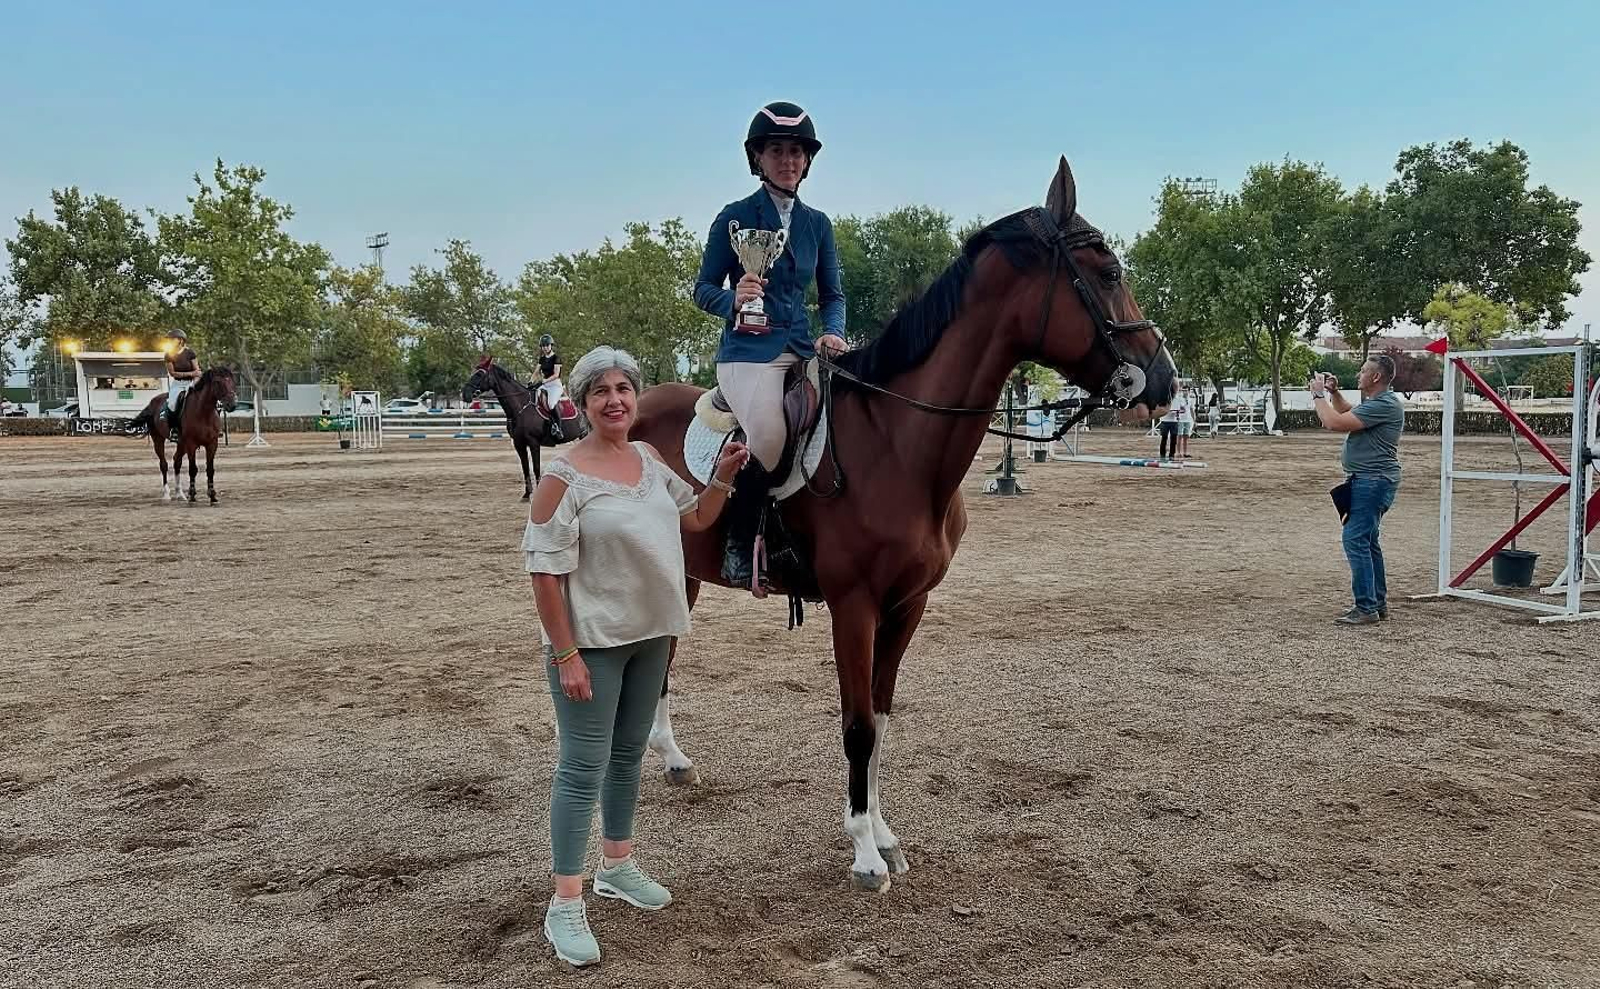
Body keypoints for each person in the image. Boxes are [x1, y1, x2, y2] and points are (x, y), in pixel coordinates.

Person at [524, 346, 748, 967]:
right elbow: (543, 572)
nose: (615, 400)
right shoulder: (563, 476)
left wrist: (724, 475)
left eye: (624, 388)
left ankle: (617, 866)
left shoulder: (649, 459)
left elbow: (697, 519)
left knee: (626, 757)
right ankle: (565, 902)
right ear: (582, 403)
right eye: (601, 391)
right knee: (581, 769)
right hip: (592, 645)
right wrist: (565, 654)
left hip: (652, 637)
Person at [694, 100, 848, 588]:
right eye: (777, 150)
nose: (788, 160)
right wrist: (733, 299)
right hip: (747, 353)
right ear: (757, 158)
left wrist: (834, 330)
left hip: (801, 349)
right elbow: (702, 289)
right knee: (768, 436)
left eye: (796, 152)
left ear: (807, 160)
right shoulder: (734, 217)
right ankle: (739, 544)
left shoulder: (817, 224)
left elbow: (833, 295)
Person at [1309, 355, 1404, 626]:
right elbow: (1346, 413)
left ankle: (1366, 607)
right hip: (1371, 480)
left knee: (1355, 539)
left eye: (1363, 371)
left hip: (1371, 481)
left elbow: (1333, 422)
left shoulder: (1384, 404)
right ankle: (1376, 603)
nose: (1358, 374)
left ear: (1376, 377)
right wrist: (1334, 394)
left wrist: (1318, 395)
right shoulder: (1380, 403)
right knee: (1367, 541)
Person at [163, 329, 201, 438]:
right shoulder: (168, 355)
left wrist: (195, 382)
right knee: (172, 404)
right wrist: (190, 373)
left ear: (180, 340)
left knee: (206, 398)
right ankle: (174, 429)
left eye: (172, 339)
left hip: (192, 382)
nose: (170, 341)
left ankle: (213, 426)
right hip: (178, 384)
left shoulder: (190, 353)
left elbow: (197, 371)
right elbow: (173, 373)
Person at [536, 334, 566, 441]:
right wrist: (530, 381)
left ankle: (558, 427)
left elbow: (556, 375)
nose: (545, 348)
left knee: (551, 403)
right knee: (533, 397)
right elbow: (536, 372)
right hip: (545, 385)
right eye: (543, 346)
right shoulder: (542, 359)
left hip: (555, 385)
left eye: (547, 345)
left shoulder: (556, 358)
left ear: (551, 345)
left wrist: (544, 381)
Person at [1173, 386, 1195, 459]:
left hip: (1187, 420)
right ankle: (1178, 452)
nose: (1184, 392)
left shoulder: (1190, 400)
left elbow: (1191, 410)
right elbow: (1177, 409)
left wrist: (1194, 420)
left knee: (1186, 436)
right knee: (1179, 436)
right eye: (1183, 390)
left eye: (1186, 390)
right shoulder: (1179, 399)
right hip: (1180, 419)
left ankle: (1185, 452)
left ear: (1189, 391)